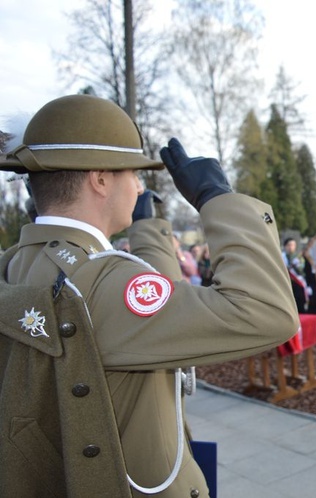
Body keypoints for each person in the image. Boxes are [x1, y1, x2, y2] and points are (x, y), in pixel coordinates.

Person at [0, 94, 299, 497]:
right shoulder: (97, 283)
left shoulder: (17, 264)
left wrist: (147, 228)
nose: (139, 185)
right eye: (132, 172)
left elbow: (152, 311)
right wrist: (217, 197)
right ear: (100, 179)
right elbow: (265, 310)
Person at [282, 237, 307, 314]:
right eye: (289, 245)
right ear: (285, 246)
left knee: (300, 306)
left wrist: (296, 266)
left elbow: (302, 271)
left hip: (297, 284)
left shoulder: (299, 258)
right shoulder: (281, 257)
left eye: (293, 245)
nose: (291, 247)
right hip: (286, 285)